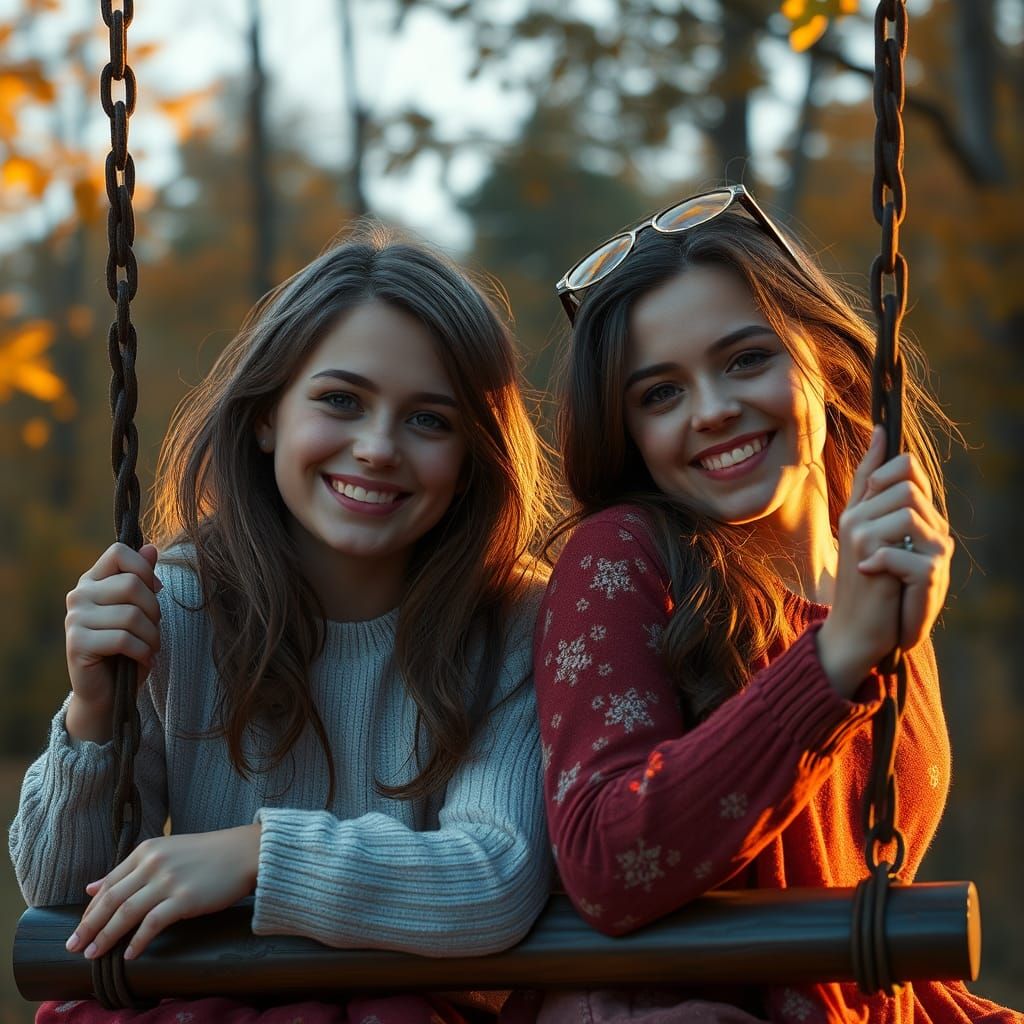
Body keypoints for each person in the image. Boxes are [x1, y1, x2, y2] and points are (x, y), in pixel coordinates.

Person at [9, 224, 554, 1024]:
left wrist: (260, 855)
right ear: (266, 416)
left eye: (429, 420)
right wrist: (94, 708)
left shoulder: (514, 623)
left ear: (473, 455)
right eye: (341, 401)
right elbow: (64, 895)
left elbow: (495, 879)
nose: (377, 448)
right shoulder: (178, 605)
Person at [521, 187, 1020, 1023]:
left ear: (824, 360)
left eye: (746, 359)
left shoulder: (875, 583)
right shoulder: (622, 556)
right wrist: (834, 661)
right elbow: (607, 863)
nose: (714, 411)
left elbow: (863, 952)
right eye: (660, 394)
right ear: (628, 430)